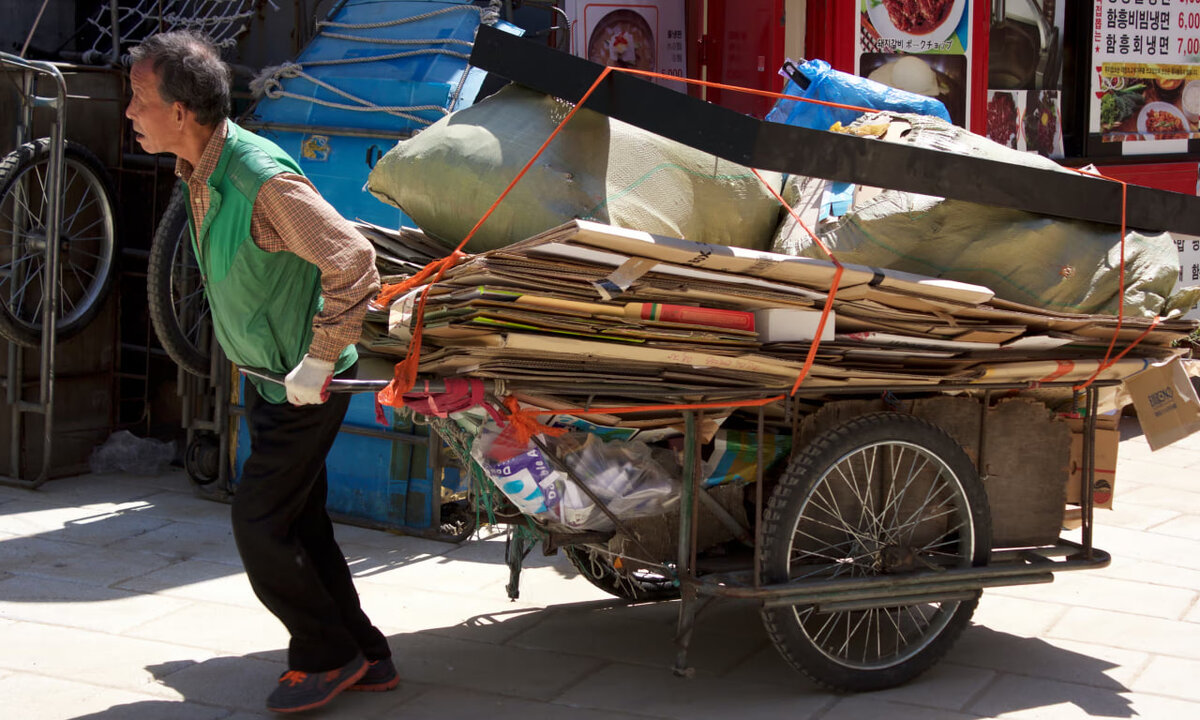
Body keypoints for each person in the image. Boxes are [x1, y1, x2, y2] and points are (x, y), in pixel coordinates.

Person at [126, 31, 393, 714]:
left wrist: (321, 355)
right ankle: (368, 653)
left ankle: (326, 656)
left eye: (139, 98)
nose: (129, 112)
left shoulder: (255, 176)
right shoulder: (202, 171)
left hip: (303, 385)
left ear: (181, 110)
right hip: (273, 380)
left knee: (258, 522)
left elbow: (354, 260)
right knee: (297, 523)